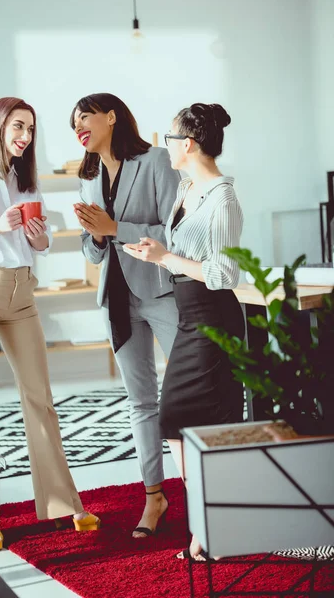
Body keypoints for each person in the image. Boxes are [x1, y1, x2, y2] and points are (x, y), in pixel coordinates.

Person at [0, 97, 100, 552]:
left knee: (40, 398)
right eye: (17, 127)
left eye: (30, 128)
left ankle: (64, 504)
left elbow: (43, 244)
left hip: (22, 294)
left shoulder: (25, 180)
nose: (25, 136)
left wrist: (39, 235)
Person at [123, 102, 245, 560]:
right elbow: (180, 254)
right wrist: (155, 251)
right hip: (191, 316)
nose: (166, 146)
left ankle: (212, 529)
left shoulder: (222, 199)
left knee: (183, 418)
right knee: (177, 422)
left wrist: (164, 259)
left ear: (188, 143)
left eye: (170, 138)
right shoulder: (187, 188)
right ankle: (208, 527)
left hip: (214, 320)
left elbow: (224, 274)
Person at [70, 93, 181, 538]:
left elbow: (175, 231)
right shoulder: (89, 177)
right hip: (115, 298)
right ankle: (154, 497)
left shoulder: (156, 161)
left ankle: (207, 484)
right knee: (140, 402)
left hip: (160, 291)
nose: (77, 124)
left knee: (185, 394)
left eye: (84, 115)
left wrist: (115, 229)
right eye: (72, 121)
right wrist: (97, 238)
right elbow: (92, 251)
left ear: (111, 117)